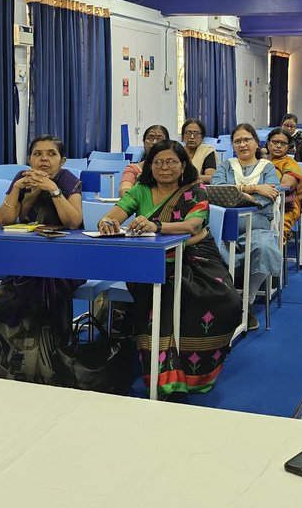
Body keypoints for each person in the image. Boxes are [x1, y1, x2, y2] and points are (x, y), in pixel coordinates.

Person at [96, 140, 242, 398]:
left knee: (226, 300)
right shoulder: (140, 191)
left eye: (171, 161)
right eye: (157, 162)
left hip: (196, 255)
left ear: (183, 165)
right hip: (152, 260)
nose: (164, 167)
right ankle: (165, 376)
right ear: (149, 166)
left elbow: (192, 227)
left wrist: (157, 226)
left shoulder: (195, 190)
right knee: (160, 294)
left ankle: (197, 374)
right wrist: (107, 222)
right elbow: (114, 215)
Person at [0, 134, 87, 384]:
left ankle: (48, 372)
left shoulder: (68, 181)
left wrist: (53, 190)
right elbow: (4, 221)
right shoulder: (22, 179)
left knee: (37, 299)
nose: (44, 159)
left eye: (51, 154)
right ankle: (9, 370)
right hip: (25, 260)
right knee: (0, 307)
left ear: (62, 160)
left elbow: (73, 222)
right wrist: (21, 191)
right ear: (29, 158)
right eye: (38, 154)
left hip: (63, 261)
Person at [210, 123, 284, 321]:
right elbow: (217, 190)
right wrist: (254, 189)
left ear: (256, 143)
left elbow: (269, 195)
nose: (242, 145)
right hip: (224, 227)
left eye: (246, 140)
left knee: (265, 248)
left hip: (256, 227)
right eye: (237, 141)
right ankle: (226, 298)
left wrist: (238, 193)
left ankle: (246, 302)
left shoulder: (267, 167)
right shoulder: (226, 166)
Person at [264, 128, 302, 242]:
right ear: (268, 144)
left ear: (288, 147)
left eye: (283, 143)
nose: (278, 146)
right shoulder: (260, 161)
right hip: (261, 203)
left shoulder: (290, 164)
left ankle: (275, 257)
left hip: (286, 205)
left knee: (275, 229)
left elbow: (285, 185)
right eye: (275, 142)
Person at [120, 124, 170, 195]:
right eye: (151, 138)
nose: (155, 142)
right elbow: (124, 189)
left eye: (160, 139)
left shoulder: (173, 168)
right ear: (143, 142)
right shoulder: (133, 169)